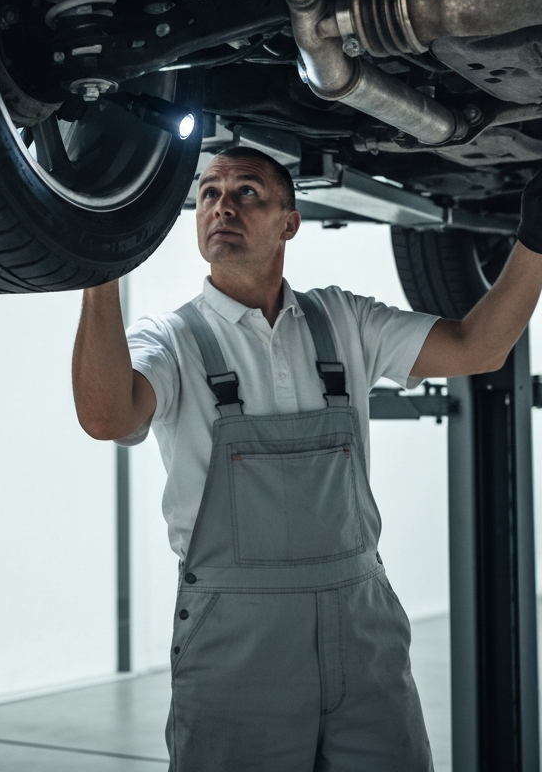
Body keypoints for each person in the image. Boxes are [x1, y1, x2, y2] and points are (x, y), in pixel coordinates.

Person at [71, 146, 542, 771]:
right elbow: (106, 416)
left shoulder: (342, 319)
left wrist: (534, 241)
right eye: (210, 193)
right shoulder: (171, 340)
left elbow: (478, 348)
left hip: (362, 630)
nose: (222, 207)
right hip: (239, 640)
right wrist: (98, 270)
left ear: (289, 222)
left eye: (247, 193)